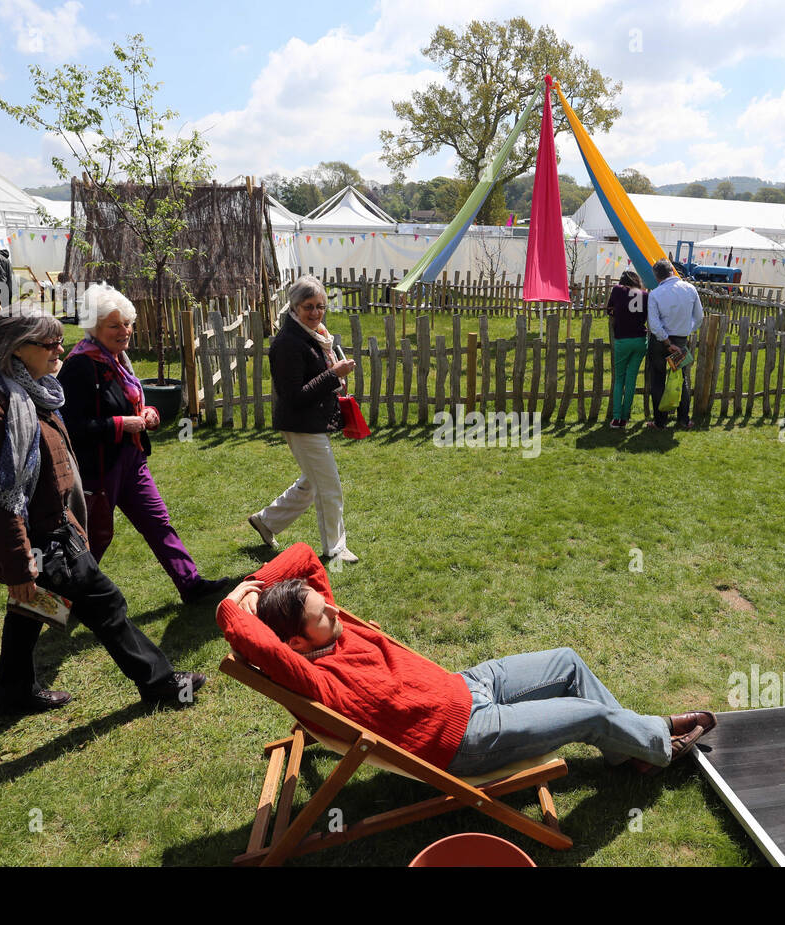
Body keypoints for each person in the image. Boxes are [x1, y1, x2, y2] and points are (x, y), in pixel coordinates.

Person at [218, 544, 715, 777]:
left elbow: (304, 555)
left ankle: (628, 753)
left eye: (321, 600)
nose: (331, 605)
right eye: (319, 612)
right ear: (296, 646)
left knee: (567, 662)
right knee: (591, 715)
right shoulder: (312, 676)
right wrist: (230, 603)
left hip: (467, 685)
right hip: (466, 737)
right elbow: (237, 629)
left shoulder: (327, 628)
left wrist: (255, 585)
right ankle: (657, 745)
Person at [0, 301, 205, 715]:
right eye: (49, 343)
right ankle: (160, 683)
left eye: (60, 341)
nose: (58, 350)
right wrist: (19, 565)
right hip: (41, 538)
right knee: (106, 605)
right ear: (17, 347)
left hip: (54, 526)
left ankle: (15, 694)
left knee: (29, 608)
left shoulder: (26, 388)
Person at [57, 283, 236, 604]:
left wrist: (147, 412)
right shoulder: (80, 365)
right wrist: (122, 424)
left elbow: (127, 401)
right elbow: (71, 425)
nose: (124, 330)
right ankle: (66, 599)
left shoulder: (117, 358)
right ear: (94, 328)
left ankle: (191, 585)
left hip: (131, 460)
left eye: (127, 323)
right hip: (99, 468)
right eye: (114, 325)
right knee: (94, 538)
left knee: (158, 522)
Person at [248, 276, 358, 564]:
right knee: (329, 487)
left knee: (311, 484)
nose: (316, 312)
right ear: (294, 307)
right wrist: (334, 374)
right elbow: (294, 395)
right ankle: (335, 548)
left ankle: (267, 521)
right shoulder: (287, 343)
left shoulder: (315, 334)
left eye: (320, 306)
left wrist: (332, 373)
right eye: (308, 306)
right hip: (301, 423)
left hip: (312, 421)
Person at [645, 258, 703, 429]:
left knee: (658, 380)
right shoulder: (690, 289)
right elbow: (699, 318)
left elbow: (654, 324)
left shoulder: (655, 294)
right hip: (680, 340)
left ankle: (660, 422)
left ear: (656, 277)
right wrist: (685, 331)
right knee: (681, 379)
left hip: (660, 342)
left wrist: (667, 341)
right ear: (672, 270)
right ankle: (684, 420)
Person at [605, 270, 649, 429]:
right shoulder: (645, 295)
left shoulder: (617, 290)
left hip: (622, 339)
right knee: (631, 380)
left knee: (619, 379)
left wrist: (619, 313)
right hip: (639, 340)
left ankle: (616, 418)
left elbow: (608, 310)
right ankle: (625, 417)